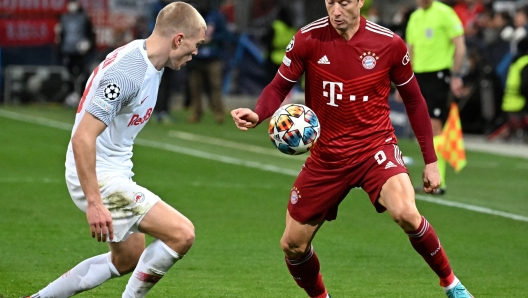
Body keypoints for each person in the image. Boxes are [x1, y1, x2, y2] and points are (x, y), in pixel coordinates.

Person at [230, 1, 473, 297]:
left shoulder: (389, 44)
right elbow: (279, 86)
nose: (336, 10)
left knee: (406, 213)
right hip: (327, 157)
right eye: (331, 2)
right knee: (292, 245)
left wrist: (431, 161)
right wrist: (259, 113)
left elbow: (414, 100)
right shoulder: (308, 38)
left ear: (360, 2)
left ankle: (452, 285)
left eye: (344, 2)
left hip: (374, 149)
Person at [25, 2, 206, 297]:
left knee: (127, 258)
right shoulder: (128, 72)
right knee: (181, 233)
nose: (195, 52)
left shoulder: (151, 61)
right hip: (98, 172)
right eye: (195, 45)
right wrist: (95, 202)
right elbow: (83, 137)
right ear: (178, 39)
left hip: (115, 168)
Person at [405, 0, 466, 195]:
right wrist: (402, 80)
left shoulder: (445, 13)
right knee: (423, 127)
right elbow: (409, 50)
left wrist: (456, 75)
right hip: (418, 77)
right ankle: (430, 177)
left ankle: (439, 181)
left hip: (438, 75)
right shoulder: (414, 17)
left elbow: (460, 46)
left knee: (435, 126)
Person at [186, 0, 229, 124]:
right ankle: (196, 113)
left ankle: (219, 113)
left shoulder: (217, 17)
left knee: (216, 86)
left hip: (213, 58)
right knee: (195, 87)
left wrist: (212, 39)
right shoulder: (193, 18)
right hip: (196, 57)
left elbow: (226, 35)